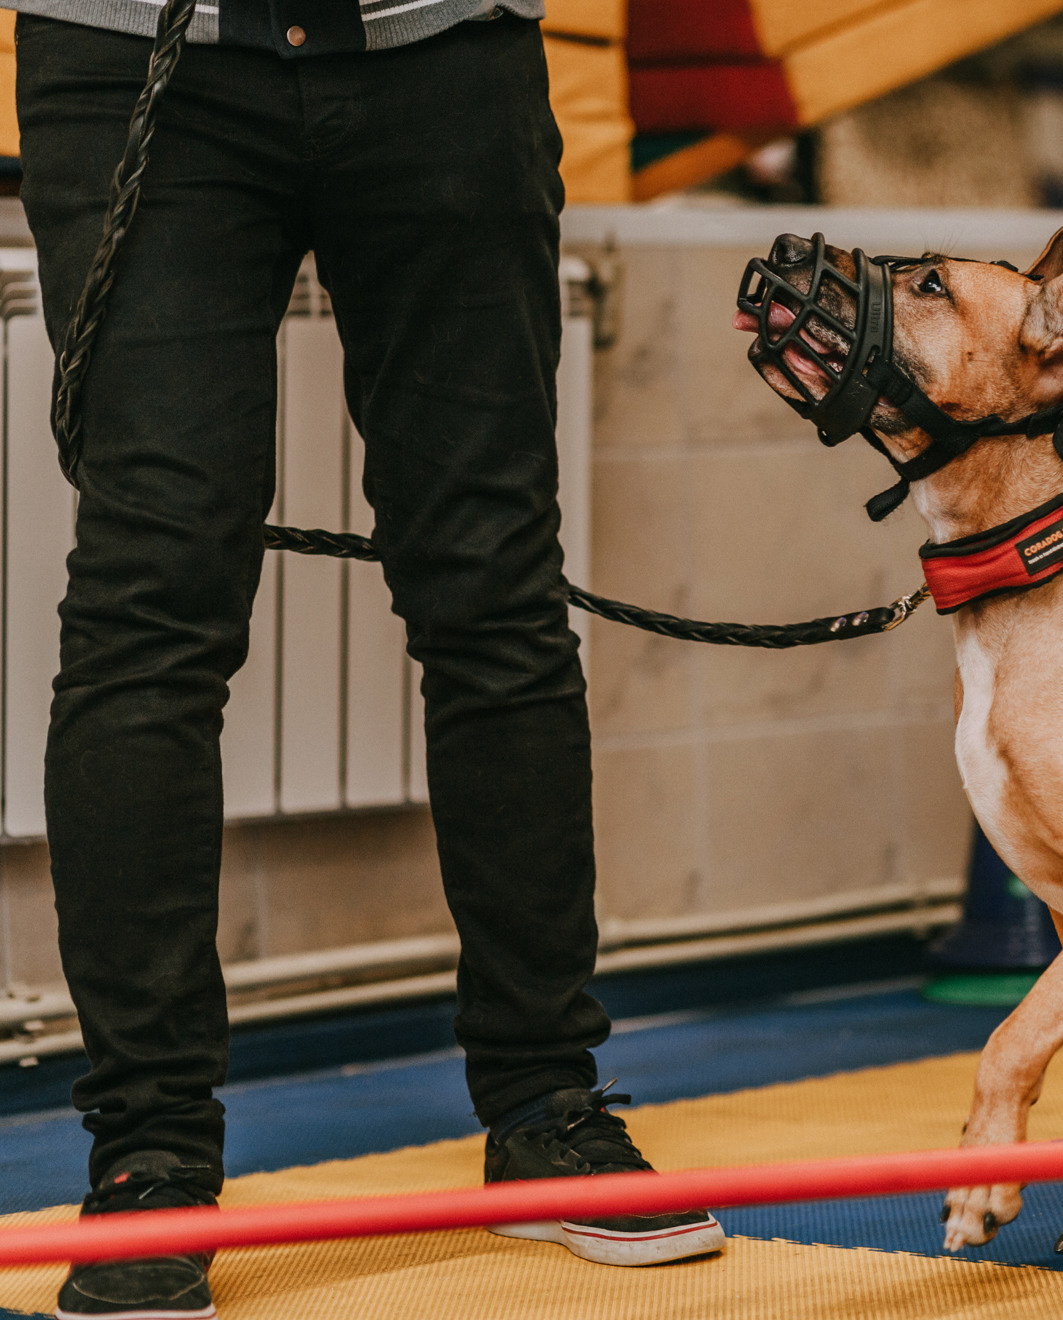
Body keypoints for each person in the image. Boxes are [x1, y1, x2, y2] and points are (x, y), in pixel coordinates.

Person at [7, 3, 723, 1315]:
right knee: (147, 609)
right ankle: (148, 1158)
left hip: (443, 49)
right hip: (135, 47)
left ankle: (547, 1104)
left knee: (496, 592)